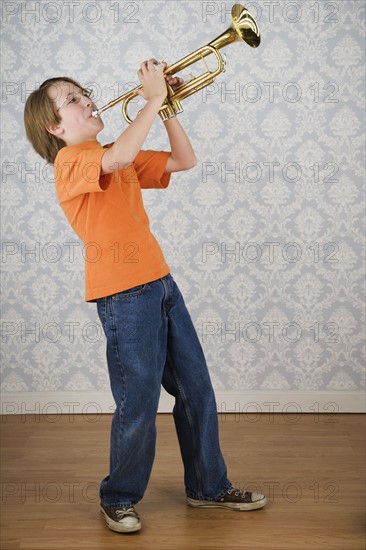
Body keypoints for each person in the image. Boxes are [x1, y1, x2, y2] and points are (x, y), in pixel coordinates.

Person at [24, 59, 267, 534]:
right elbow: (111, 162)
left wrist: (170, 105)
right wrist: (152, 98)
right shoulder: (70, 162)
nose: (88, 100)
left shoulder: (120, 148)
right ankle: (118, 497)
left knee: (196, 390)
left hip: (161, 284)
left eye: (84, 92)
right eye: (72, 100)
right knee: (137, 400)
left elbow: (183, 161)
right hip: (123, 296)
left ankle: (209, 487)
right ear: (53, 126)